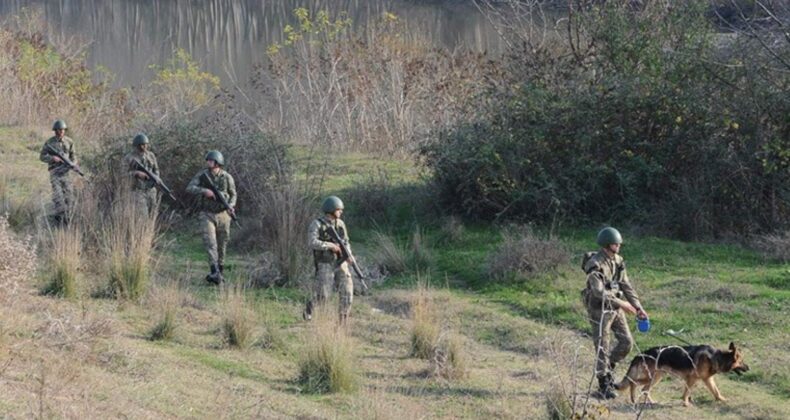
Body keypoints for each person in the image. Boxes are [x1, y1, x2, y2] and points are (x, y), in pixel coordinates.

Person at [582, 227, 649, 399]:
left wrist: (638, 307)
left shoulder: (618, 261)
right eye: (615, 243)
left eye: (618, 243)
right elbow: (598, 292)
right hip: (599, 309)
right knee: (602, 346)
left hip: (616, 308)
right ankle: (603, 384)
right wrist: (622, 303)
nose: (618, 246)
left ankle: (608, 369)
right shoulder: (594, 264)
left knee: (627, 342)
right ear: (606, 245)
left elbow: (626, 285)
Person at [186, 150, 236, 284]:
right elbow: (190, 187)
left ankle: (220, 271)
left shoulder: (227, 177)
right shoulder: (202, 175)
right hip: (207, 213)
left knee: (222, 243)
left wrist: (231, 205)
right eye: (208, 160)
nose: (208, 162)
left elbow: (233, 195)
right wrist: (204, 191)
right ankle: (214, 271)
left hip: (223, 214)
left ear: (217, 162)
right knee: (210, 243)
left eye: (211, 161)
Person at [304, 196, 354, 325]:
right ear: (331, 209)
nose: (341, 212)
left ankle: (342, 321)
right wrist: (330, 246)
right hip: (325, 263)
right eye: (339, 209)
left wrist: (349, 254)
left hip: (341, 262)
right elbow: (312, 242)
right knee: (324, 295)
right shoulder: (317, 224)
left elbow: (346, 241)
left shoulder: (341, 224)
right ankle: (310, 308)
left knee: (347, 291)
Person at [39, 119, 78, 225]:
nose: (61, 131)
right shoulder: (49, 143)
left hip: (66, 173)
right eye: (59, 130)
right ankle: (58, 219)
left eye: (63, 130)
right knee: (58, 196)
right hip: (55, 172)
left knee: (69, 196)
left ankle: (68, 218)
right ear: (55, 130)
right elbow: (42, 156)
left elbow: (74, 157)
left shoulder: (69, 142)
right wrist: (53, 158)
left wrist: (73, 164)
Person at [123, 133, 160, 215]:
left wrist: (156, 178)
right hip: (137, 191)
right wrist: (135, 173)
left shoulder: (151, 155)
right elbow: (123, 174)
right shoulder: (129, 158)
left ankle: (150, 228)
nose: (144, 147)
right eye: (142, 145)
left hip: (151, 190)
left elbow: (156, 169)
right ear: (137, 145)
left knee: (153, 214)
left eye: (145, 144)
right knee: (142, 215)